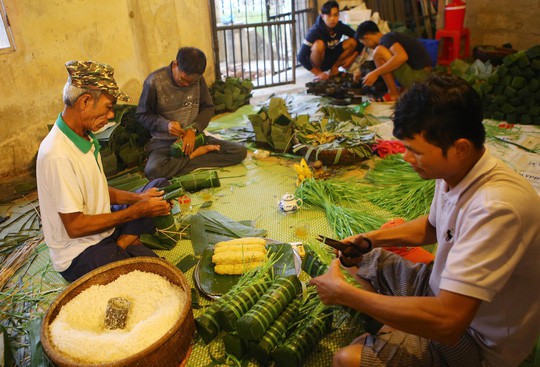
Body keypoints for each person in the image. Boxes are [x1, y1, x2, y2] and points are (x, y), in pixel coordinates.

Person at [310, 74, 540, 367]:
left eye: (415, 151)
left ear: (460, 148)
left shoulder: (496, 209)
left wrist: (345, 296)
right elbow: (432, 226)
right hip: (440, 288)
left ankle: (395, 332)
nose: (406, 158)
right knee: (356, 261)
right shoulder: (455, 172)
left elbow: (449, 323)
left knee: (347, 360)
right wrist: (370, 240)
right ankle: (396, 326)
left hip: (475, 341)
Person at [37, 61, 172, 282]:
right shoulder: (57, 154)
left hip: (104, 226)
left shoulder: (85, 136)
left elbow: (96, 188)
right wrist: (136, 212)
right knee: (152, 279)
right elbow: (75, 227)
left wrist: (139, 198)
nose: (110, 116)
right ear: (85, 101)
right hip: (80, 251)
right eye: (109, 107)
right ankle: (123, 247)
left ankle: (121, 246)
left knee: (158, 188)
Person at [136, 47, 247, 179]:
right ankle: (196, 156)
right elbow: (142, 115)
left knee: (239, 152)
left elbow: (208, 108)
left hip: (193, 139)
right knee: (153, 171)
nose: (187, 85)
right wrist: (166, 125)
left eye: (191, 82)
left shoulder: (198, 79)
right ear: (175, 64)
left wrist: (193, 130)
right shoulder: (154, 82)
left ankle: (183, 162)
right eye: (183, 80)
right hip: (164, 142)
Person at [354, 20, 432, 101]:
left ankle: (393, 93)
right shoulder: (389, 38)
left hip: (420, 78)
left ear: (366, 37)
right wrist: (362, 71)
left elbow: (402, 57)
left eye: (363, 43)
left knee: (378, 52)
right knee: (381, 58)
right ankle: (398, 90)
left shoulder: (386, 39)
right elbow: (384, 64)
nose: (366, 46)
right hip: (423, 76)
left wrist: (376, 73)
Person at [297, 1, 361, 80]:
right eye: (329, 15)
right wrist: (317, 73)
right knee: (319, 44)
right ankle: (320, 75)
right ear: (323, 16)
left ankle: (334, 69)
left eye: (335, 15)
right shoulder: (314, 31)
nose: (332, 19)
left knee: (352, 42)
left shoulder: (340, 26)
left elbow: (359, 38)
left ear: (338, 15)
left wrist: (354, 56)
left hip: (331, 57)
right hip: (318, 61)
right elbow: (300, 57)